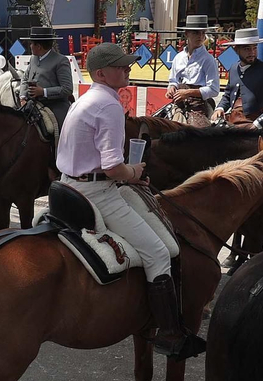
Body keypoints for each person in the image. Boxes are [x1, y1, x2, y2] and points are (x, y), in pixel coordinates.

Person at [58, 42, 188, 356]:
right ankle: (170, 333)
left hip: (66, 185)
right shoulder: (109, 105)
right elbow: (113, 167)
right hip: (97, 192)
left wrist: (128, 175)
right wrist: (134, 171)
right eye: (121, 66)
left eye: (127, 65)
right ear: (101, 73)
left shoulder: (86, 98)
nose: (127, 69)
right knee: (159, 252)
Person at [214, 29, 263, 129]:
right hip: (233, 118)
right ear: (236, 50)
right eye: (247, 49)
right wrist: (220, 108)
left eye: (254, 48)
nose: (252, 53)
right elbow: (228, 95)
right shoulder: (233, 68)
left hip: (256, 120)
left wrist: (258, 123)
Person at [165, 15, 221, 118]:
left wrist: (188, 92)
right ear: (187, 34)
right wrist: (172, 88)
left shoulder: (208, 60)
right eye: (196, 33)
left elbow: (214, 90)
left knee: (197, 131)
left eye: (203, 33)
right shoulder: (178, 57)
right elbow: (173, 80)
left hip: (199, 105)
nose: (200, 36)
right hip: (178, 102)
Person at [22, 26, 75, 130]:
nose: (30, 45)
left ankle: (59, 145)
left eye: (32, 43)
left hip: (55, 104)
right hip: (32, 103)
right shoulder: (33, 58)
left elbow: (67, 89)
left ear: (39, 46)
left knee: (57, 129)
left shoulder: (61, 61)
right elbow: (25, 78)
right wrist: (22, 97)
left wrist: (43, 91)